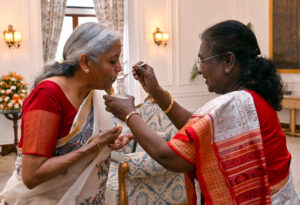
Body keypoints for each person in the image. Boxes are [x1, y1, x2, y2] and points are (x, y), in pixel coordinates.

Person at [103, 20, 300, 204]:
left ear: (228, 61)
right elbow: (198, 129)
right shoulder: (249, 97)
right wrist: (155, 90)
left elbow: (169, 157)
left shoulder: (233, 103)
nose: (200, 70)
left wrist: (129, 114)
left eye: (202, 61)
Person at [0, 22, 133, 205]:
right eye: (112, 61)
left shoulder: (95, 94)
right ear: (85, 62)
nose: (119, 68)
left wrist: (109, 142)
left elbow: (90, 141)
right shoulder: (47, 95)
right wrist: (94, 147)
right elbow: (31, 175)